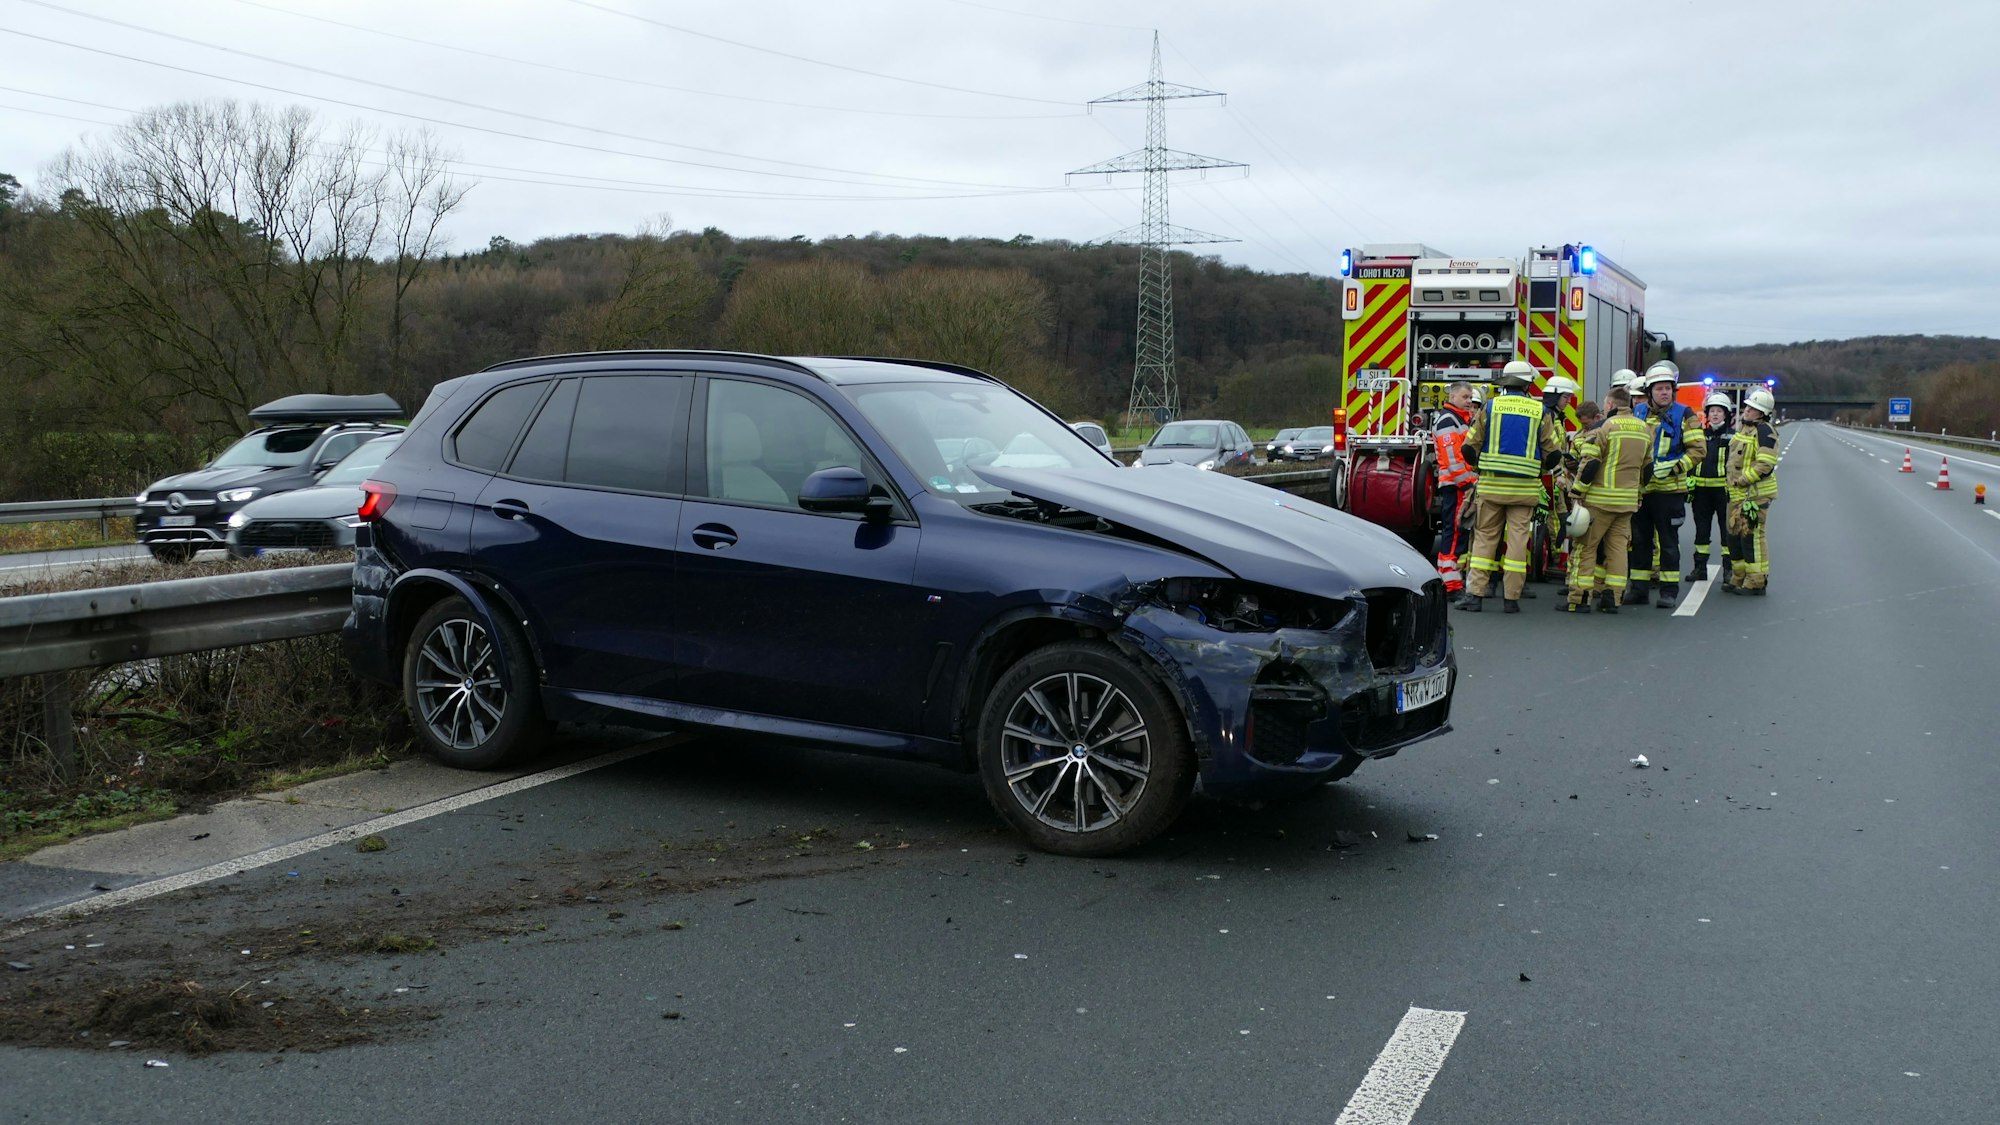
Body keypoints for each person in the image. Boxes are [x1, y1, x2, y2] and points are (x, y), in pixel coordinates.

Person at [1457, 360, 1563, 613]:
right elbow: (1553, 454)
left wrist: (1479, 467)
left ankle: (1475, 596)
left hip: (1492, 486)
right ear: (1527, 384)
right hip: (1525, 490)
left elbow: (1469, 447)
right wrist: (1539, 468)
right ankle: (1511, 599)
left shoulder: (1490, 407)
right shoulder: (1541, 412)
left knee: (1484, 541)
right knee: (1517, 542)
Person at [1625, 362, 1706, 609]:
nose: (1664, 393)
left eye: (1668, 389)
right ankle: (1638, 589)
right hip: (1641, 491)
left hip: (1670, 491)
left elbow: (1698, 450)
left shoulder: (1685, 414)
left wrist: (1675, 466)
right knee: (1640, 541)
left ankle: (1669, 591)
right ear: (1649, 392)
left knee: (1669, 543)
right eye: (1659, 389)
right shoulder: (1638, 413)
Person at [1565, 385, 1652, 613]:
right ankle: (1612, 599)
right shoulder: (1645, 428)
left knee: (1585, 548)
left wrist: (1577, 492)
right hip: (1627, 503)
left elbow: (1590, 463)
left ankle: (1579, 599)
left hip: (1599, 501)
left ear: (1611, 405)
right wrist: (1639, 493)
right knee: (1618, 550)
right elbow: (1648, 468)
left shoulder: (1603, 427)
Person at [1723, 389, 1780, 595]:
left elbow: (1765, 464)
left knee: (1752, 538)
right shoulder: (1744, 430)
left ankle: (1756, 581)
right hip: (1736, 495)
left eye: (1752, 408)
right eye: (1747, 406)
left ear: (1762, 413)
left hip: (1754, 495)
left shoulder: (1765, 431)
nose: (1746, 410)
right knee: (1734, 537)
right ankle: (1738, 577)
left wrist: (1743, 480)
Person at [1430, 382, 1479, 597]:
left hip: (1459, 485)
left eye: (1470, 397)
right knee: (1454, 533)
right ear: (1452, 396)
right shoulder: (1449, 421)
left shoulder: (1459, 419)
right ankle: (1450, 585)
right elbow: (1453, 458)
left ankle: (1450, 581)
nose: (1469, 401)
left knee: (1457, 534)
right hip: (1457, 486)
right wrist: (1466, 484)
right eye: (1465, 397)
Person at [1687, 392, 1734, 582]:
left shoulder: (1733, 438)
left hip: (1723, 492)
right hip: (1700, 493)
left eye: (1719, 411)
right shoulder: (1700, 436)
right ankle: (1700, 568)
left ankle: (1728, 571)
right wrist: (1689, 481)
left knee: (1726, 532)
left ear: (1726, 415)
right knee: (1701, 531)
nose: (1715, 414)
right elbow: (1691, 459)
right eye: (1712, 411)